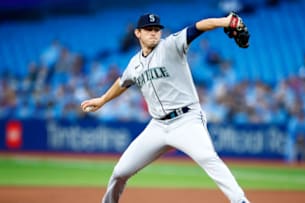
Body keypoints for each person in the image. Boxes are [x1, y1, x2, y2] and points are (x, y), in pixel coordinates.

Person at [81, 13, 250, 203]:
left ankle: (240, 201)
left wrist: (226, 21)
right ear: (138, 33)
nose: (154, 33)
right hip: (158, 126)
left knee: (208, 158)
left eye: (156, 30)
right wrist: (103, 99)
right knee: (120, 172)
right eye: (149, 30)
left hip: (186, 120)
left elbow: (199, 26)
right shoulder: (135, 63)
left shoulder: (171, 45)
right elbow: (122, 82)